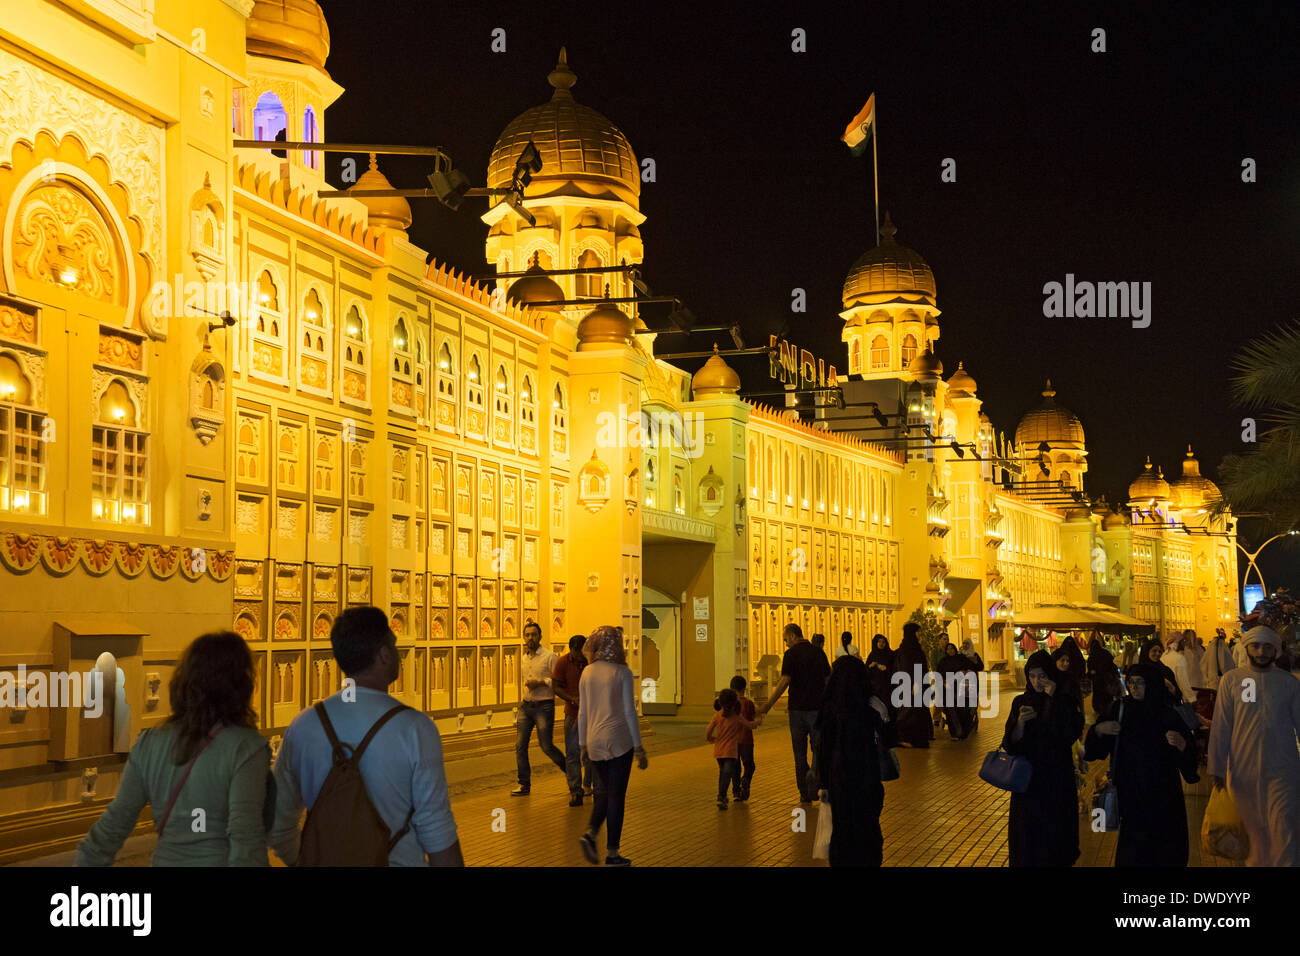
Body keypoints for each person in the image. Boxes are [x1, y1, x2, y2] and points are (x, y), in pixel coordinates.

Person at [270, 607, 462, 866]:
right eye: (393, 646)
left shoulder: (303, 725)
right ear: (384, 655)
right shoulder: (416, 729)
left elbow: (276, 824)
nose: (397, 654)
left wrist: (305, 860)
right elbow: (437, 833)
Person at [78, 632, 271, 866]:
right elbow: (245, 837)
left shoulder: (150, 743)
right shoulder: (246, 748)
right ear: (241, 686)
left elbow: (117, 820)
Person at [1084, 662, 1198, 866]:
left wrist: (1182, 745)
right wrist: (1099, 730)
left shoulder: (1167, 714)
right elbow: (1094, 752)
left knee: (1165, 852)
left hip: (1164, 798)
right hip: (1131, 797)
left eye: (1140, 683)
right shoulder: (1120, 709)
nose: (1134, 687)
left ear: (1152, 684)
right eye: (1131, 682)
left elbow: (1190, 757)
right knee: (1134, 854)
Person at [1207, 625, 1300, 866]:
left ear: (1275, 650)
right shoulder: (1231, 681)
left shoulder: (1289, 683)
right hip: (1242, 771)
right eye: (1256, 646)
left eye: (1267, 646)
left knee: (1285, 827)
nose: (1261, 652)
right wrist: (1216, 768)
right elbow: (1221, 727)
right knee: (1253, 834)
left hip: (1283, 770)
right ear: (1247, 647)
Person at [1002, 649, 1084, 867]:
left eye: (1042, 676)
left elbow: (1068, 734)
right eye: (1032, 676)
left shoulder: (1065, 700)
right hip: (1029, 783)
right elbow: (1010, 744)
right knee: (1028, 840)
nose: (1037, 681)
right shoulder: (1021, 702)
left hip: (1057, 780)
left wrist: (1053, 699)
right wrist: (1019, 723)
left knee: (1055, 838)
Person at [578, 625, 648, 867]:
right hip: (619, 741)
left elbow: (583, 712)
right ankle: (612, 853)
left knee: (603, 794)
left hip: (594, 741)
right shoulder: (622, 672)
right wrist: (638, 747)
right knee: (617, 797)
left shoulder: (587, 672)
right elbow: (630, 711)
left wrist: (582, 744)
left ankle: (590, 833)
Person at [815, 653, 889, 866]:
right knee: (868, 827)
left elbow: (824, 750)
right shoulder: (870, 707)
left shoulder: (830, 709)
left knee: (843, 830)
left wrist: (823, 784)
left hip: (840, 781)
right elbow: (888, 737)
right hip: (868, 779)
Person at [758, 623, 831, 801]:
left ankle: (804, 792)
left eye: (785, 640)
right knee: (818, 748)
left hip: (797, 710)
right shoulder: (818, 652)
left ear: (792, 636)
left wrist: (767, 705)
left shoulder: (790, 655)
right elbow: (828, 679)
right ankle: (814, 777)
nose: (785, 644)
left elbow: (784, 681)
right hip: (816, 709)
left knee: (799, 753)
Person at [512, 620, 566, 796]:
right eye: (527, 635)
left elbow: (558, 681)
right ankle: (524, 784)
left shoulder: (549, 657)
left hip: (544, 706)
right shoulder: (524, 658)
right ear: (524, 637)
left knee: (546, 746)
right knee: (520, 746)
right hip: (526, 706)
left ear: (540, 636)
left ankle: (570, 771)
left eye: (534, 634)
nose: (530, 638)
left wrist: (541, 682)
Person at [553, 634, 593, 807]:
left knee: (591, 752)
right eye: (576, 652)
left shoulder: (591, 663)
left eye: (581, 652)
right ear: (571, 650)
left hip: (591, 714)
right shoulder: (563, 662)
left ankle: (588, 784)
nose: (579, 656)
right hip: (572, 713)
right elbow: (556, 686)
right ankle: (575, 790)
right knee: (572, 753)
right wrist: (570, 698)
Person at [707, 688, 758, 810]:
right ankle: (721, 796)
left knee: (723, 773)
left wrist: (710, 738)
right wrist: (757, 723)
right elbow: (749, 725)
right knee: (726, 774)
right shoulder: (736, 716)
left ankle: (722, 797)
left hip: (718, 752)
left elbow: (708, 730)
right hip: (730, 752)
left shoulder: (717, 716)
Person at [892, 622, 932, 748]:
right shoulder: (907, 648)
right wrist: (913, 683)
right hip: (911, 685)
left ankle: (917, 739)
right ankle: (904, 738)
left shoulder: (914, 647)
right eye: (917, 632)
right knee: (908, 711)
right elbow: (907, 667)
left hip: (917, 684)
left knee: (917, 712)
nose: (919, 634)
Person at [938, 643, 976, 740]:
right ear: (945, 651)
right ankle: (956, 733)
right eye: (948, 649)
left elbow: (974, 667)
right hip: (949, 689)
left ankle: (963, 732)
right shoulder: (943, 662)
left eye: (952, 648)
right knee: (951, 712)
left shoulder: (961, 659)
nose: (950, 651)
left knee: (962, 711)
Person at [731, 675, 757, 800]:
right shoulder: (748, 703)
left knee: (735, 767)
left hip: (733, 741)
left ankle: (736, 792)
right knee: (749, 765)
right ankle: (745, 779)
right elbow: (752, 718)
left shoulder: (730, 705)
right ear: (744, 688)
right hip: (746, 740)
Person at [1086, 636, 1123, 720]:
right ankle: (1108, 709)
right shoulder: (1106, 653)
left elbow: (1090, 669)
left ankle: (1099, 710)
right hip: (1107, 679)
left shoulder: (1092, 656)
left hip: (1097, 681)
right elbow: (1112, 663)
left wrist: (1092, 674)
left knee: (1098, 695)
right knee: (1107, 694)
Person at [1162, 633, 1197, 705]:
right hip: (1177, 699)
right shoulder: (1179, 658)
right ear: (1177, 643)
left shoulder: (1163, 656)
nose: (1185, 644)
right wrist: (1192, 699)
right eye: (1183, 641)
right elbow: (1183, 682)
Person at [865, 634, 895, 708]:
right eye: (879, 642)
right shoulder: (872, 655)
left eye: (883, 642)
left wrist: (886, 669)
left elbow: (895, 668)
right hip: (875, 688)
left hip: (887, 687)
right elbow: (866, 671)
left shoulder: (890, 655)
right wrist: (870, 666)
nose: (881, 644)